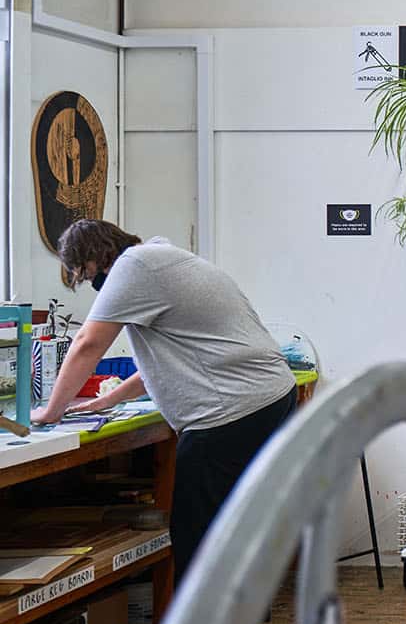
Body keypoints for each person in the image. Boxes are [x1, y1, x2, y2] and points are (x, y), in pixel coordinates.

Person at [32, 220, 298, 579]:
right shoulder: (163, 260)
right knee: (231, 523)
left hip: (231, 412)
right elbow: (165, 362)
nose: (88, 282)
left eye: (83, 272)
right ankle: (237, 621)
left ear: (95, 258)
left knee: (196, 533)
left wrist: (52, 410)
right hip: (269, 398)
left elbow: (87, 344)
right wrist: (105, 402)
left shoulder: (133, 267)